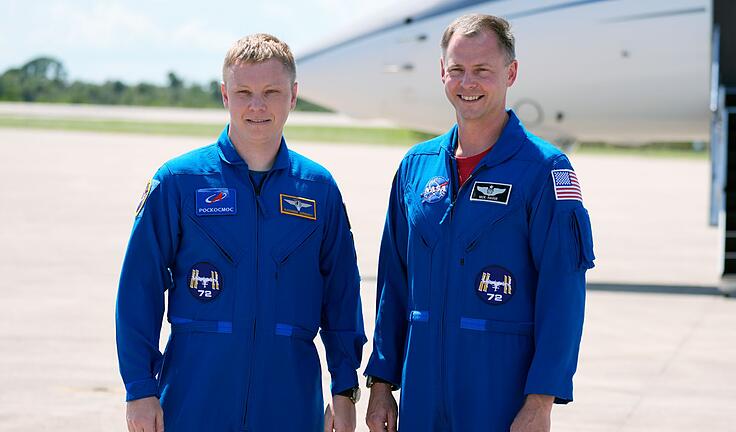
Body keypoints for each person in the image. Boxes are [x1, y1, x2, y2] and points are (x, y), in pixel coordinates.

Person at [116, 33, 366, 432]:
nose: (257, 105)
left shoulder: (319, 189)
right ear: (224, 95)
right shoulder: (179, 182)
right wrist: (140, 389)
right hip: (193, 397)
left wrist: (344, 386)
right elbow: (137, 290)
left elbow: (341, 296)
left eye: (271, 91)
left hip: (289, 401)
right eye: (244, 91)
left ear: (294, 95)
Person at [364, 14, 595, 432]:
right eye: (457, 70)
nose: (467, 83)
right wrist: (382, 383)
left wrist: (541, 400)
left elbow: (563, 292)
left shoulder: (544, 171)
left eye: (482, 71)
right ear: (442, 73)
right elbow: (393, 285)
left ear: (511, 73)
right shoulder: (415, 168)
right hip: (421, 397)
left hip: (500, 399)